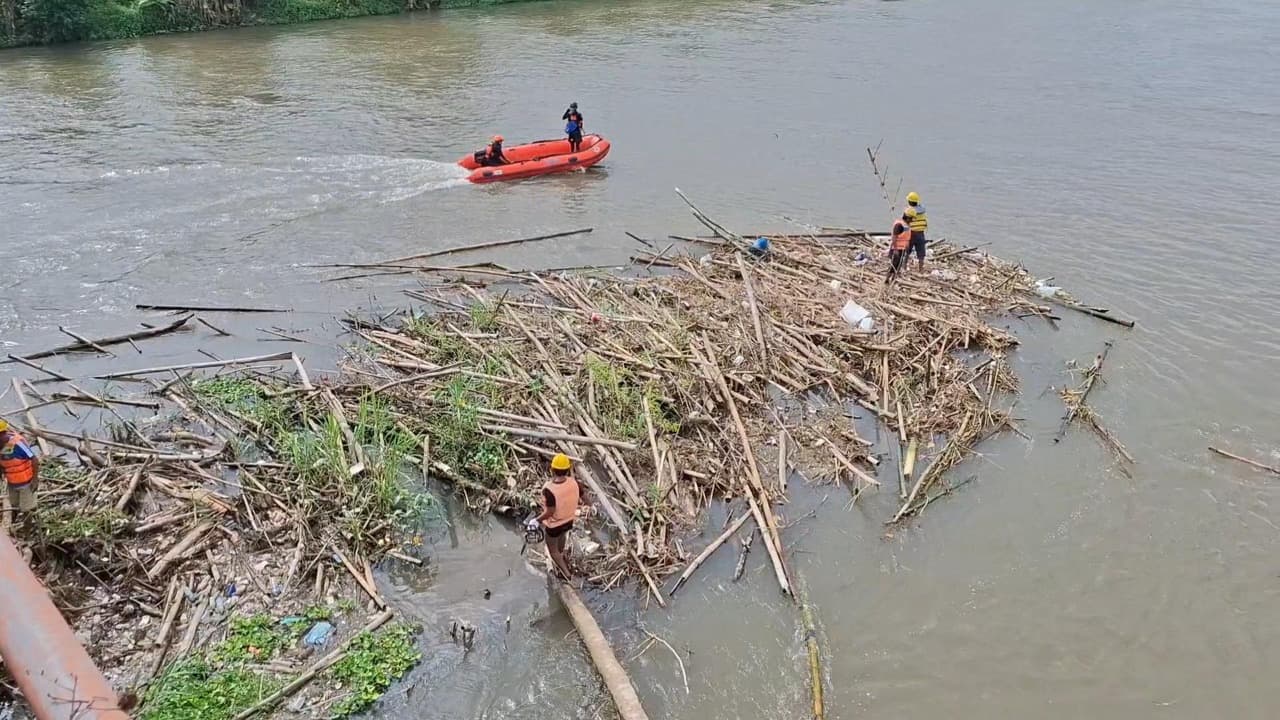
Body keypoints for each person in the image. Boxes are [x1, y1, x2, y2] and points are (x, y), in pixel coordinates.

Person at [537, 453, 585, 579]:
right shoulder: (574, 483)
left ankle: (566, 573)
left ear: (552, 469)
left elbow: (550, 512)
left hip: (554, 525)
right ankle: (562, 555)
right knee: (562, 536)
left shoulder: (549, 490)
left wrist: (537, 520)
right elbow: (585, 498)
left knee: (552, 549)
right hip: (568, 521)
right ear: (568, 469)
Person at [0, 419, 40, 528]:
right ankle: (11, 525)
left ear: (3, 434)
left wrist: (35, 479)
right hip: (12, 483)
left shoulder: (17, 444)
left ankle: (27, 532)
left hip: (26, 483)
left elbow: (34, 459)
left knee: (26, 509)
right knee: (13, 505)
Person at [886, 208, 915, 284]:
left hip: (902, 249)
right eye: (911, 218)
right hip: (897, 249)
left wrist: (907, 248)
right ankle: (887, 279)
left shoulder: (906, 225)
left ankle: (893, 280)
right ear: (908, 217)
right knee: (894, 265)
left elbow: (907, 238)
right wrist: (895, 250)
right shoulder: (899, 225)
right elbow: (894, 237)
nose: (912, 220)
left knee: (898, 266)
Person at [905, 191, 929, 271]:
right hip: (921, 234)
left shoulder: (908, 211)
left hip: (911, 234)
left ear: (909, 202)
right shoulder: (922, 210)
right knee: (921, 253)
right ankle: (920, 269)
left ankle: (904, 266)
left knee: (906, 251)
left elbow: (905, 221)